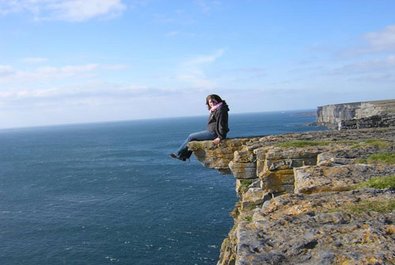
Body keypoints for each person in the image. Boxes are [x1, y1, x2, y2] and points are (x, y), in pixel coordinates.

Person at [170, 94, 230, 161]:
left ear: (218, 100)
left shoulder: (220, 110)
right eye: (210, 102)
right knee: (193, 138)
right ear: (208, 103)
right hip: (212, 132)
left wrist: (220, 137)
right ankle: (184, 156)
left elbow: (222, 124)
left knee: (191, 136)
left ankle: (178, 154)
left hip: (214, 133)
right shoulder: (216, 109)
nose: (212, 103)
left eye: (213, 101)